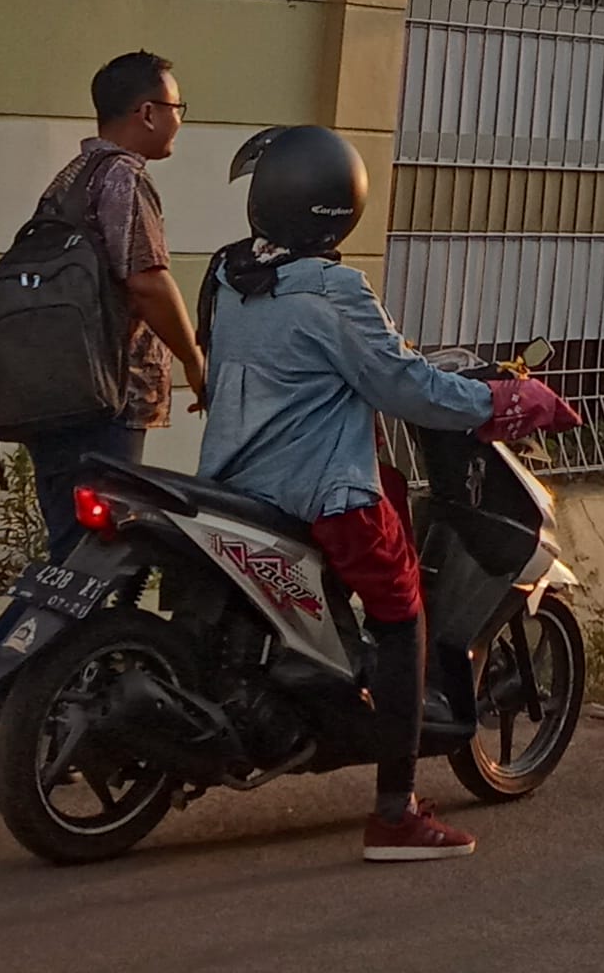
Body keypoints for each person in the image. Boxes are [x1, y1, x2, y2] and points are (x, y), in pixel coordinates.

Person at [198, 122, 572, 865]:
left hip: (233, 478)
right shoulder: (334, 289)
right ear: (341, 208)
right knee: (403, 611)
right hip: (320, 491)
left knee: (392, 504)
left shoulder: (227, 273)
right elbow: (403, 386)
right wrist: (506, 401)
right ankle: (396, 812)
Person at [0, 51, 210, 805]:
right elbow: (145, 280)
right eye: (176, 107)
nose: (179, 120)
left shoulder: (69, 182)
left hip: (54, 405)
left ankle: (65, 726)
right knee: (80, 577)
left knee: (84, 576)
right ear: (146, 112)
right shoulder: (124, 179)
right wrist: (198, 361)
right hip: (102, 408)